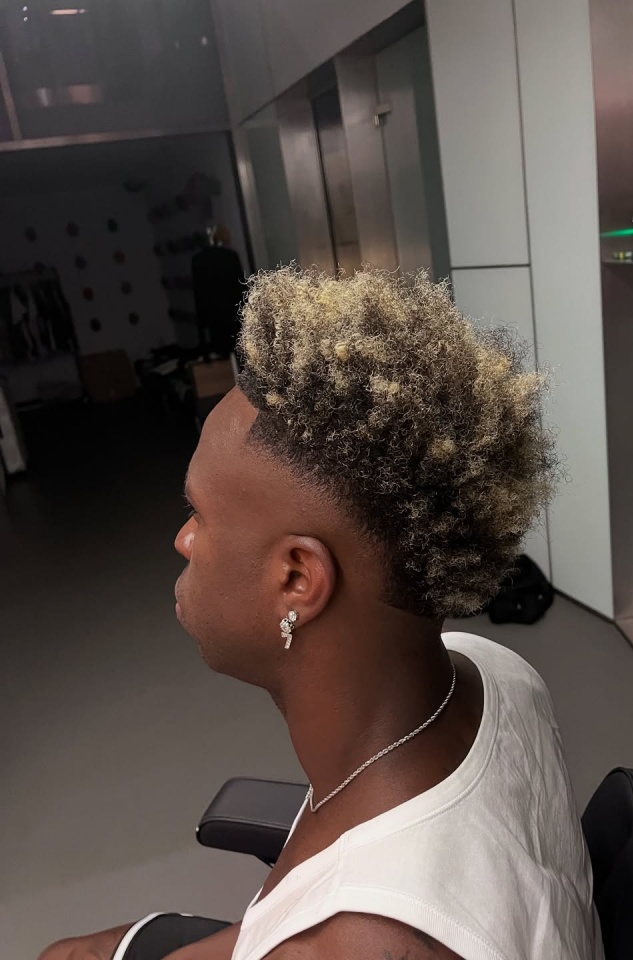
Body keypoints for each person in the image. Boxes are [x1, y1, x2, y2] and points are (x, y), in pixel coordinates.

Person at [40, 268, 603, 960]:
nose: (182, 540)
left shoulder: (355, 944)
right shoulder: (497, 671)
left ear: (298, 578)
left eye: (199, 514)